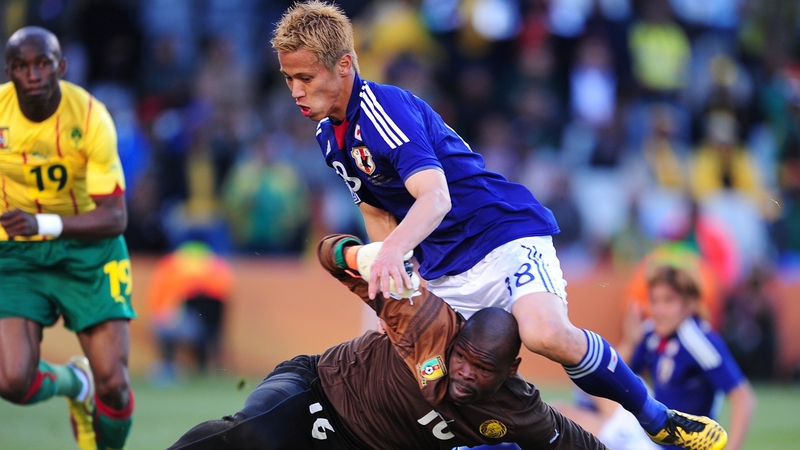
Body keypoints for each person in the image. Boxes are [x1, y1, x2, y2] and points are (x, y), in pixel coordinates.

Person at [270, 2, 727, 449]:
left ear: (345, 65)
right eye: (290, 79)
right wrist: (395, 282)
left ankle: (657, 419)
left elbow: (435, 197)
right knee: (435, 383)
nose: (295, 91)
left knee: (545, 334)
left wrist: (391, 254)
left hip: (499, 234)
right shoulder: (329, 137)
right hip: (442, 267)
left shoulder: (383, 112)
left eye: (305, 78)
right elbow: (376, 212)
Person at [167, 233, 609, 449]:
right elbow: (327, 253)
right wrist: (361, 255)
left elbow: (578, 445)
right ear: (454, 341)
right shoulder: (424, 316)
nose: (467, 373)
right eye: (464, 359)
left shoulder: (518, 409)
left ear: (511, 370)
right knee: (253, 436)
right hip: (317, 392)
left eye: (484, 368)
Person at [0, 27, 135, 450]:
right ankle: (74, 383)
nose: (34, 74)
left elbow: (115, 217)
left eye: (42, 64)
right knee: (11, 381)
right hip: (17, 255)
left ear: (61, 66)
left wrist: (42, 224)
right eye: (22, 66)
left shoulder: (91, 117)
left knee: (113, 383)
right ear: (10, 72)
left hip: (88, 251)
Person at [618, 264, 757, 450]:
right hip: (652, 439)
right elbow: (618, 376)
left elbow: (743, 398)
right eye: (654, 301)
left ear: (690, 304)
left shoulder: (697, 339)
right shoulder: (653, 334)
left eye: (668, 301)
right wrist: (629, 342)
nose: (659, 310)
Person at [147, 240, 233, 384]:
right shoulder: (217, 271)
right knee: (169, 327)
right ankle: (172, 367)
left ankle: (169, 367)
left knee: (166, 329)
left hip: (186, 326)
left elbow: (159, 304)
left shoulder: (171, 269)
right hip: (198, 326)